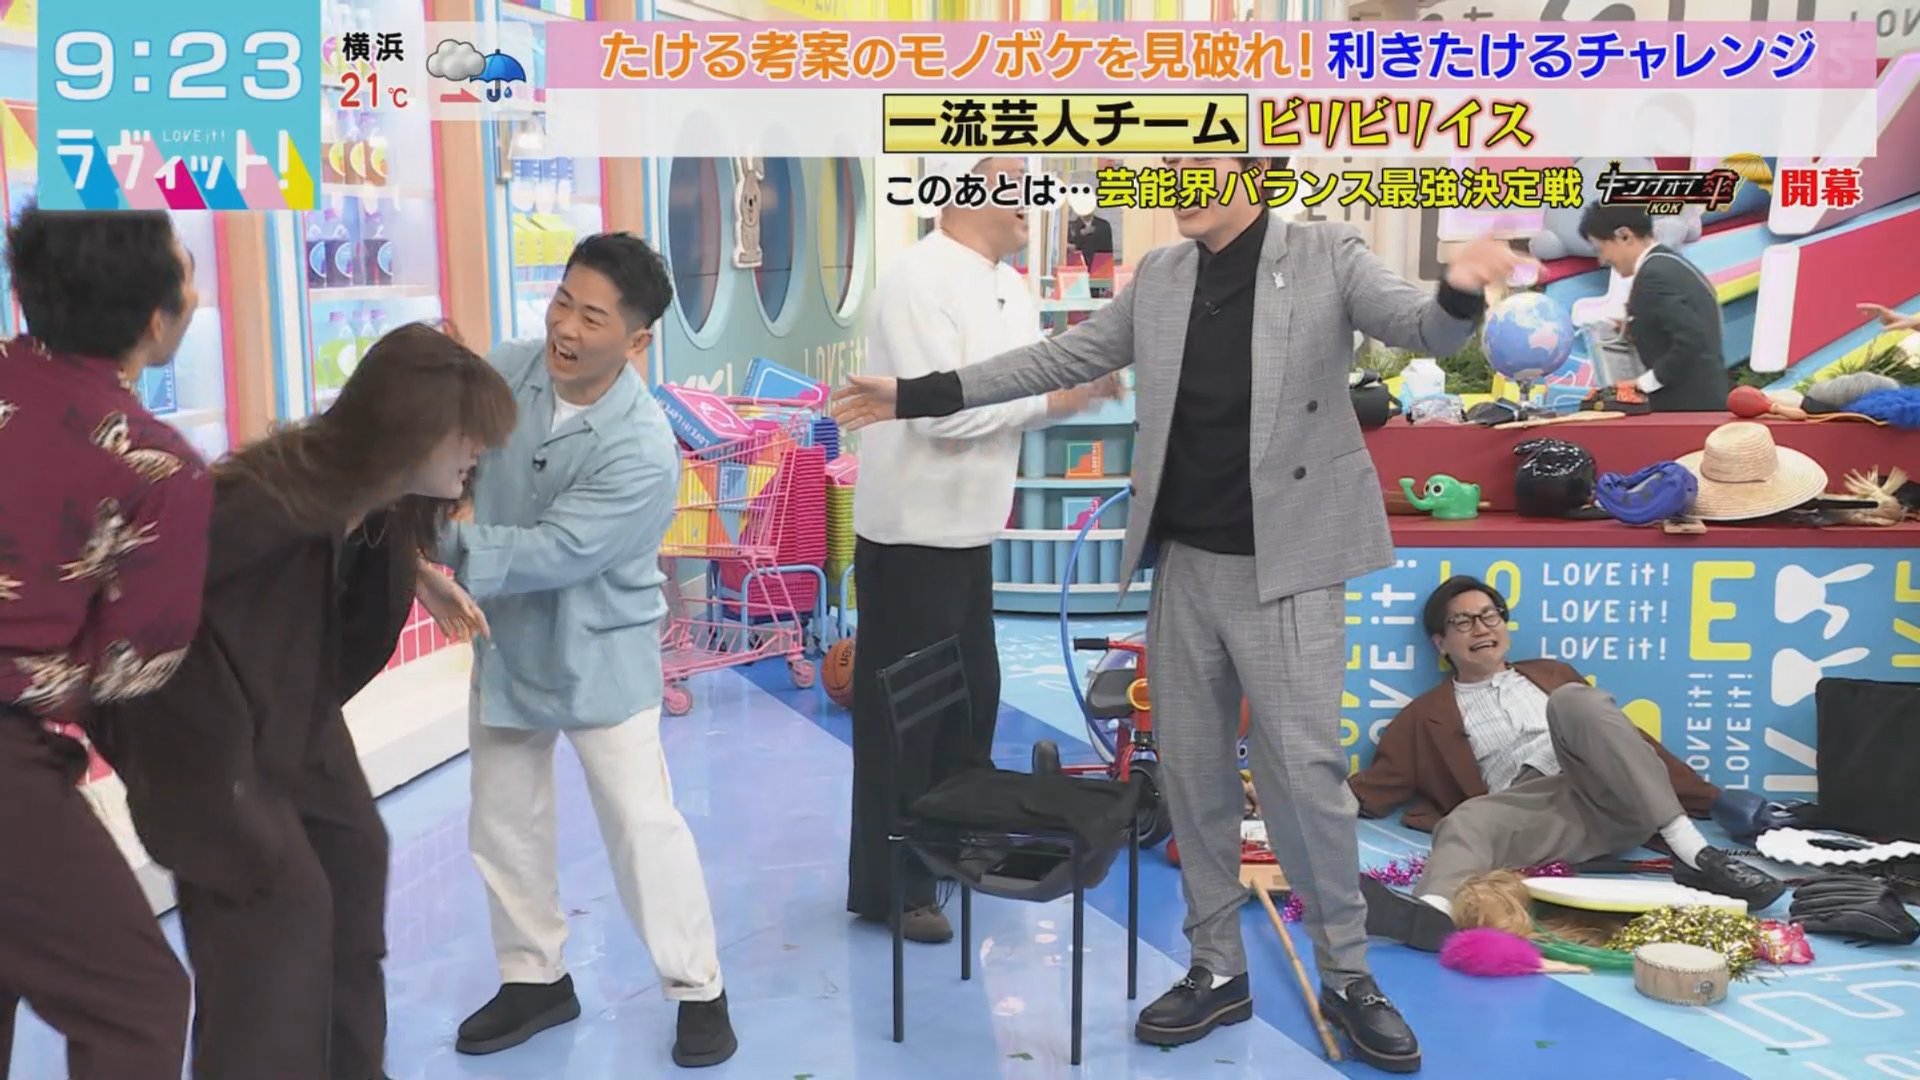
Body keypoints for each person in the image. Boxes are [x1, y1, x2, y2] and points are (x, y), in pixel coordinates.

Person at [833, 156, 1524, 1072]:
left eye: (1202, 165)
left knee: (1304, 778)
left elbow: (1422, 326)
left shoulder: (1328, 254)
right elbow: (1060, 358)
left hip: (1290, 564)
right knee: (1193, 774)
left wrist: (1462, 289)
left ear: (1255, 171)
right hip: (1187, 565)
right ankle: (1216, 966)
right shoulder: (1161, 275)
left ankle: (1348, 975)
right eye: (1172, 169)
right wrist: (916, 393)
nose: (1181, 184)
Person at [93, 322, 517, 1079]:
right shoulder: (260, 509)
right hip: (208, 750)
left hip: (290, 727)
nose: (477, 450)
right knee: (274, 936)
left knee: (353, 861)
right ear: (409, 430)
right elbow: (132, 609)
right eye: (465, 433)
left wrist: (419, 573)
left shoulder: (373, 510)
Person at [422, 233, 736, 1069]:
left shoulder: (643, 448)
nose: (564, 327)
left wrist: (442, 544)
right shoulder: (508, 371)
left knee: (641, 825)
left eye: (592, 317)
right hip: (506, 640)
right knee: (504, 819)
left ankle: (698, 988)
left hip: (600, 649)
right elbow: (445, 451)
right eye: (562, 300)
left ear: (636, 341)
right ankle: (534, 979)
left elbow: (558, 551)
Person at [848, 155, 1120, 943]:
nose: (1030, 203)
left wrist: (1076, 388)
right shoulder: (916, 280)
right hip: (909, 538)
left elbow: (1027, 389)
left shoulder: (1012, 287)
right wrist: (1057, 398)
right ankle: (895, 886)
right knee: (906, 722)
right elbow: (941, 413)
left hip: (972, 534)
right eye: (1015, 188)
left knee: (970, 711)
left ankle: (953, 853)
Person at [0, 207, 211, 1079]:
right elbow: (133, 666)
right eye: (187, 274)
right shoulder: (158, 465)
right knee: (136, 1001)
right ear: (156, 321)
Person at [1349, 576, 1785, 952]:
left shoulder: (1553, 674)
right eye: (1463, 622)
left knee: (1575, 701)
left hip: (1608, 788)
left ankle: (1697, 854)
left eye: (1489, 616)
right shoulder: (1424, 715)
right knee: (1465, 820)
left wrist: (1712, 799)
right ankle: (1432, 914)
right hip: (1536, 814)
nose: (1481, 628)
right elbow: (1374, 787)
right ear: (1441, 643)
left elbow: (1626, 743)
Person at [1579, 203, 1729, 412]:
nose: (1601, 260)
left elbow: (1692, 339)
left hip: (1687, 408)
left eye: (1600, 249)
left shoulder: (1652, 276)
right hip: (1705, 402)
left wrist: (1643, 384)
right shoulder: (1673, 264)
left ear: (1624, 235)